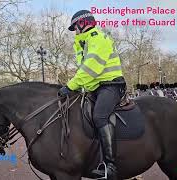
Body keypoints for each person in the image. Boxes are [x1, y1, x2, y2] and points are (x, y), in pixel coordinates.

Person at [57, 10, 126, 179]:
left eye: (75, 27)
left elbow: (90, 69)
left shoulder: (97, 38)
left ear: (83, 23)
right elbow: (84, 70)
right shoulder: (83, 42)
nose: (75, 31)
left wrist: (70, 86)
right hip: (95, 87)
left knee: (100, 116)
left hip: (111, 85)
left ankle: (110, 167)